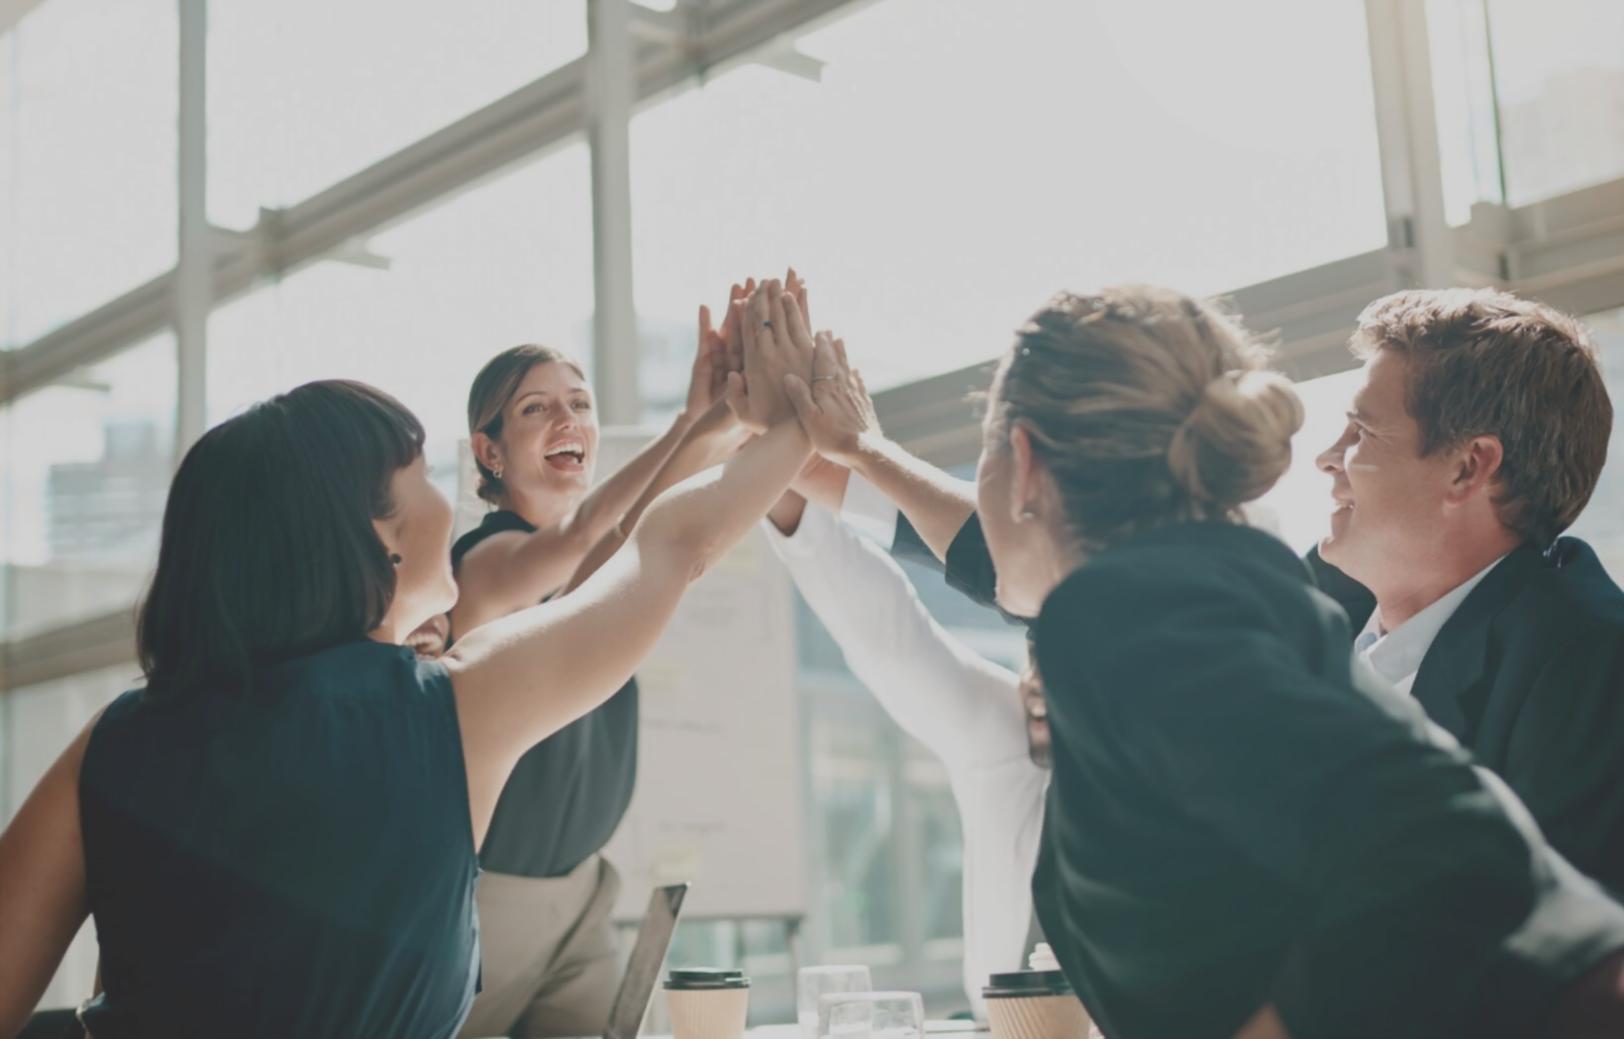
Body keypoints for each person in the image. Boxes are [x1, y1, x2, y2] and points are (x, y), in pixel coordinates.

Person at [778, 284, 1624, 1038]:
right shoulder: (1261, 592)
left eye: (1360, 430)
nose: (1328, 457)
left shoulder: (1155, 622)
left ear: (1025, 461)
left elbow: (1442, 900)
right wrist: (855, 459)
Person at [0, 285, 818, 1039]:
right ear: (377, 534)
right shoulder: (455, 707)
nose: (446, 497)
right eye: (423, 473)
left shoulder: (112, 744)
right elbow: (671, 546)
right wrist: (803, 418)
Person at [446, 282, 760, 1039]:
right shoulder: (484, 562)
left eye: (579, 403)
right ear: (488, 451)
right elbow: (592, 543)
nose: (568, 419)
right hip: (493, 898)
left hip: (584, 889)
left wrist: (723, 416)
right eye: (535, 408)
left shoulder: (598, 558)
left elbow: (638, 530)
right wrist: (697, 423)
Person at [1307, 288, 1624, 891]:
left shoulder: (1595, 669)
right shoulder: (1308, 620)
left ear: (1468, 468)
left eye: (1362, 432)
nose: (1327, 458)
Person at [764, 480, 1046, 1017]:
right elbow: (887, 637)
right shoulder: (1009, 734)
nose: (1036, 687)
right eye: (1034, 662)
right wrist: (786, 491)